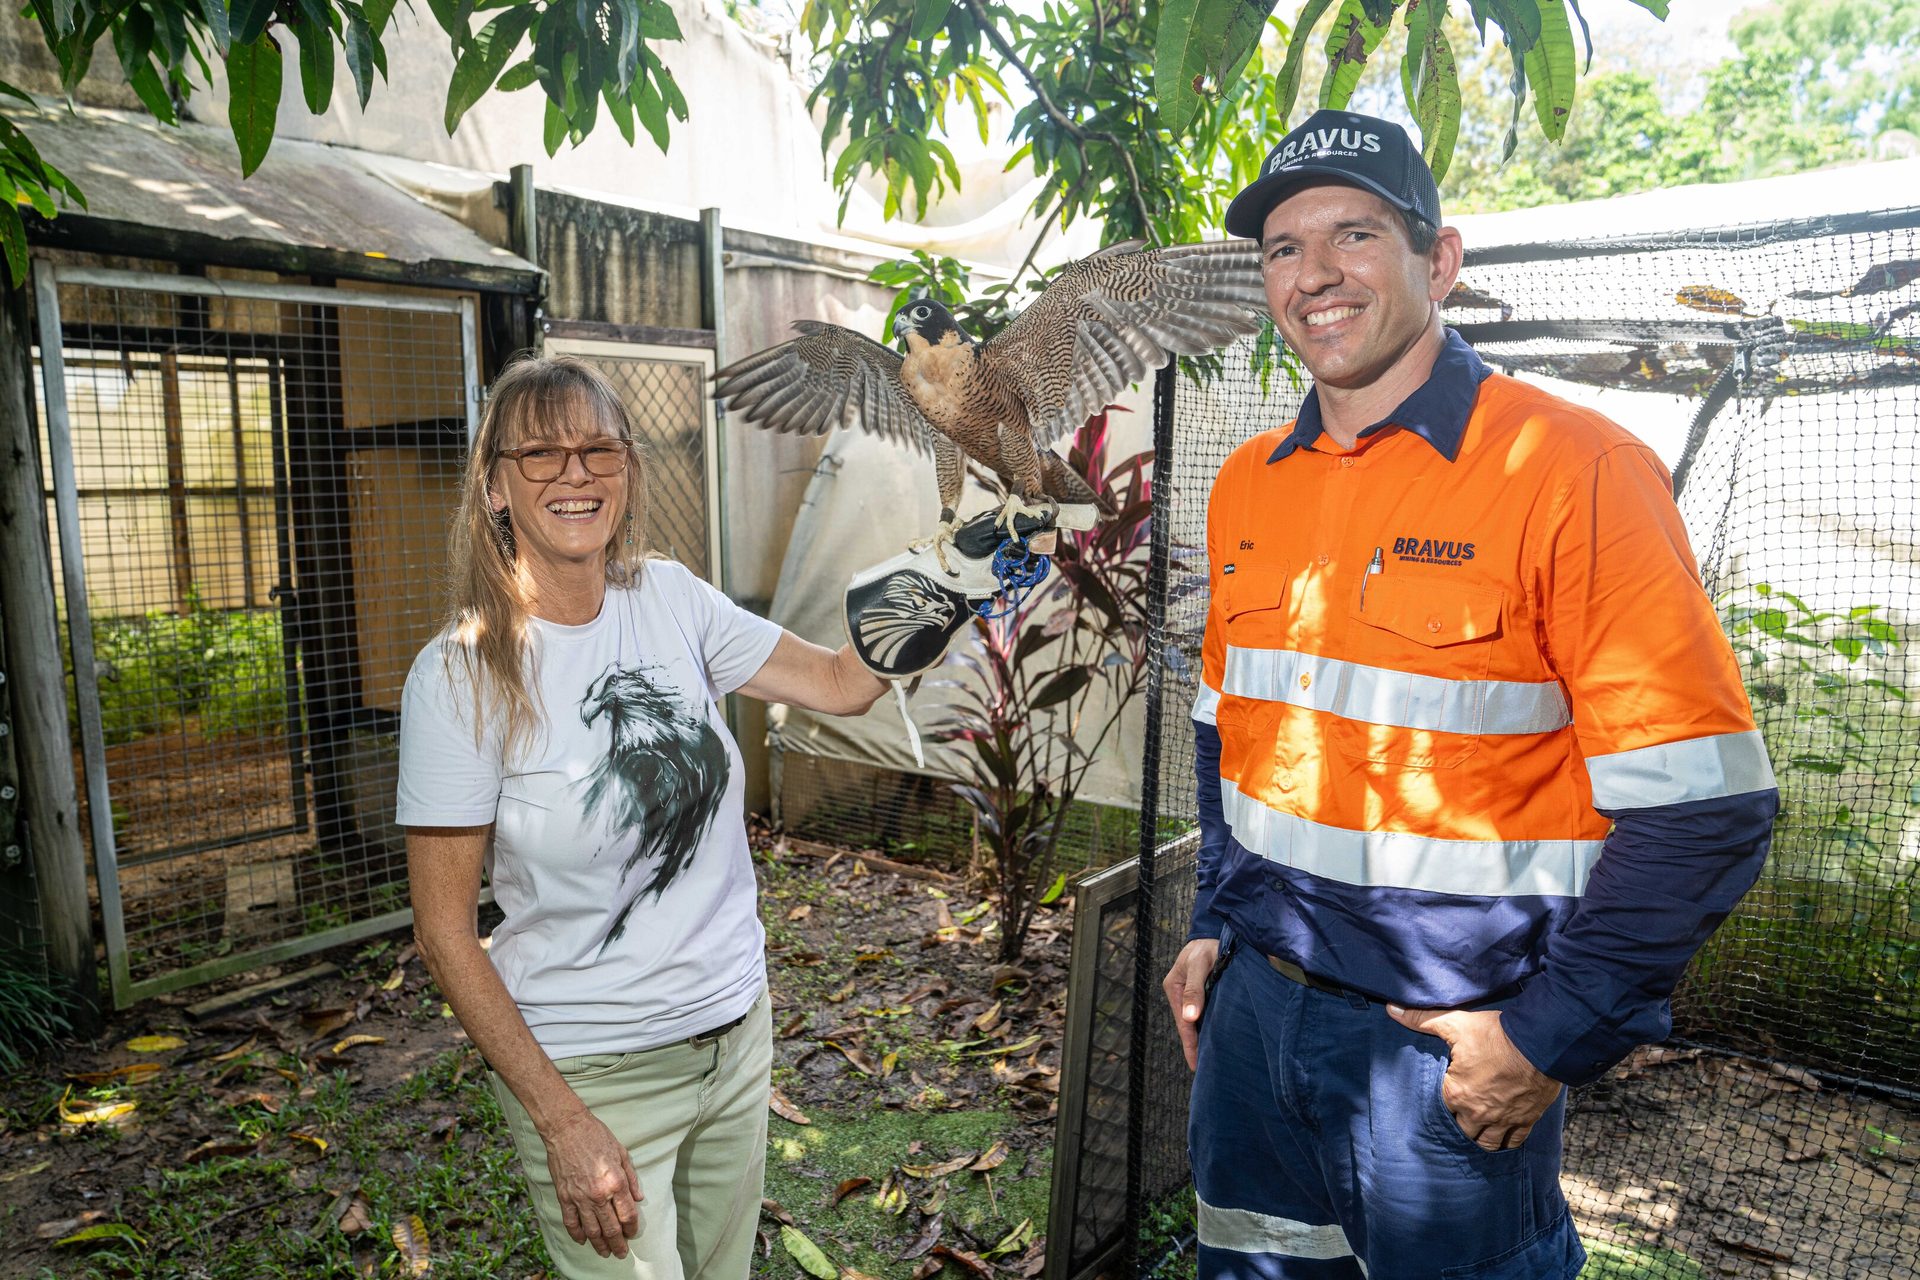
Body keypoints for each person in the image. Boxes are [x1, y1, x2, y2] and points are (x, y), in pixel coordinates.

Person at [1161, 110, 1778, 1279]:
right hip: (1254, 1022)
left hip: (1438, 1056)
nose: (1315, 275)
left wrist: (1546, 1036)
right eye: (1284, 248)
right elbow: (1224, 735)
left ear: (1438, 261)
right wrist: (1213, 918)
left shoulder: (1571, 469)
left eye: (1355, 234)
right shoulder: (1248, 483)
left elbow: (1707, 805)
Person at [396, 355, 903, 1279]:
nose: (576, 474)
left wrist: (939, 590)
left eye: (597, 449)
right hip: (593, 1069)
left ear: (628, 469)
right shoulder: (458, 675)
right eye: (542, 454)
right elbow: (444, 934)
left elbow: (839, 683)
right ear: (495, 485)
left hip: (735, 1033)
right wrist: (561, 1117)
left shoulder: (670, 598)